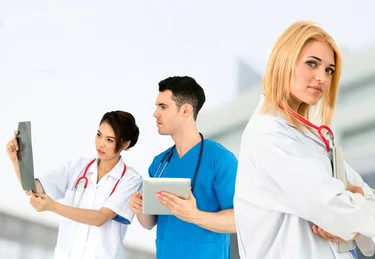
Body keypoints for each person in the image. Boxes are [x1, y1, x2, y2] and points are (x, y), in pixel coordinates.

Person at [233, 20, 375, 259]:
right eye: (312, 63)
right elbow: (335, 208)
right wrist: (354, 205)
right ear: (284, 61)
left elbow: (369, 199)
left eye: (329, 70)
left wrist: (354, 207)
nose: (322, 77)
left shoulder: (310, 136)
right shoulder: (267, 134)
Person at [5, 111, 142, 259]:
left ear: (125, 144)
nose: (101, 143)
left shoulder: (130, 179)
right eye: (99, 134)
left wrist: (53, 207)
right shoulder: (78, 167)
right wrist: (17, 160)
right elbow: (33, 189)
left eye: (109, 140)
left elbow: (100, 218)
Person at [128, 76, 238, 259]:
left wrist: (194, 215)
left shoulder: (221, 160)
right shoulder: (160, 163)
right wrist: (140, 209)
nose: (155, 113)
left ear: (186, 110)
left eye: (163, 107)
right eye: (157, 106)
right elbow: (149, 223)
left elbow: (238, 220)